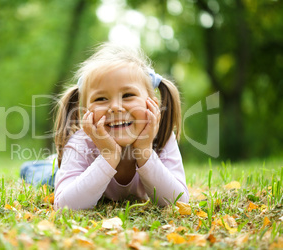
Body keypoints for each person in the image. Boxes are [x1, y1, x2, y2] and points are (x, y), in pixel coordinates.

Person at [22, 43, 189, 210]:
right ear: (85, 114)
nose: (115, 107)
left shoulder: (162, 138)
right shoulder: (81, 142)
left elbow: (178, 201)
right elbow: (65, 206)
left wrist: (144, 151)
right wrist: (109, 156)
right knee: (41, 174)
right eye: (101, 99)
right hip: (61, 175)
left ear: (152, 104)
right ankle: (37, 166)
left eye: (128, 95)